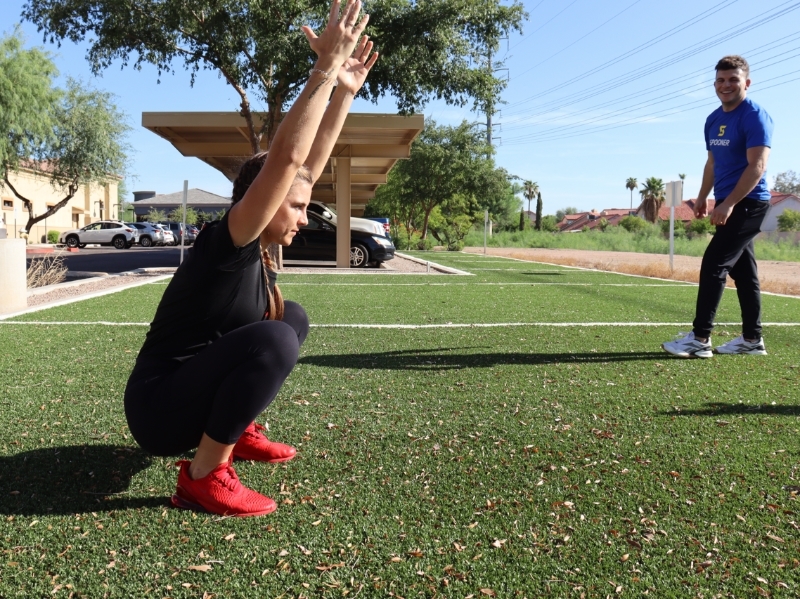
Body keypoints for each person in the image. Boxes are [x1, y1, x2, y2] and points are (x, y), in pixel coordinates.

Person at [124, 0, 378, 517]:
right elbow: (287, 161)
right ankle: (203, 474)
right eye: (298, 208)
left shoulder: (260, 258)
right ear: (259, 202)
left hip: (185, 393)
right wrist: (324, 69)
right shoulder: (229, 242)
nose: (305, 219)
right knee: (276, 337)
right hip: (157, 408)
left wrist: (344, 95)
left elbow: (305, 166)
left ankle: (235, 433)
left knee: (292, 317)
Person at [662, 55, 773, 359]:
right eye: (721, 80)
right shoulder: (713, 119)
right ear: (714, 84)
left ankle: (699, 339)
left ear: (746, 83)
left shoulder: (755, 116)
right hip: (727, 201)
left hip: (749, 202)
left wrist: (729, 204)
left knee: (714, 263)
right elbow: (712, 162)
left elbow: (757, 166)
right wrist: (702, 197)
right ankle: (752, 340)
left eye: (733, 80)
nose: (726, 85)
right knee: (745, 274)